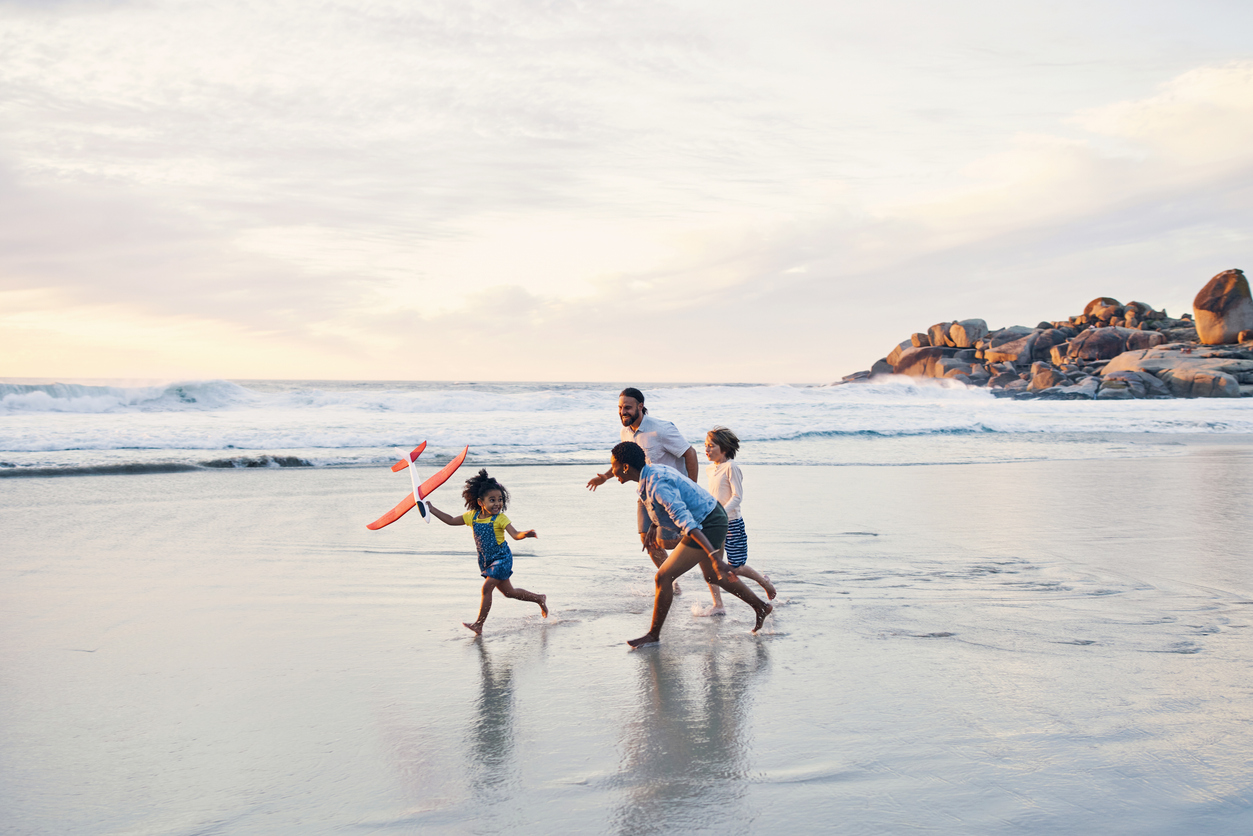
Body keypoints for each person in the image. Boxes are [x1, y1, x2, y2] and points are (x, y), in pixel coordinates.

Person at [608, 441, 772, 647]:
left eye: (613, 465)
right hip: (712, 515)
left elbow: (687, 522)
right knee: (713, 576)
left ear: (625, 467)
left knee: (663, 576)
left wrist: (713, 555)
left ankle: (653, 635)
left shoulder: (657, 483)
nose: (611, 470)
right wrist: (653, 526)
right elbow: (662, 505)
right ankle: (760, 607)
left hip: (708, 522)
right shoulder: (649, 475)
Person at [587, 387, 719, 605]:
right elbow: (625, 461)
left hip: (671, 494)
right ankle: (671, 581)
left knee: (669, 539)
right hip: (646, 494)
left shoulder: (661, 429)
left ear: (640, 406)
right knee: (646, 540)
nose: (623, 412)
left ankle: (703, 547)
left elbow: (690, 453)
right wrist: (606, 477)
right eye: (620, 408)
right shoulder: (626, 432)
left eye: (627, 407)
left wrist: (691, 488)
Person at [427, 469, 548, 635]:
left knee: (486, 588)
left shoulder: (500, 518)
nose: (497, 503)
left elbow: (514, 534)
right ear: (480, 502)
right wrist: (431, 509)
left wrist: (525, 534)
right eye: (492, 500)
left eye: (500, 500)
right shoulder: (472, 517)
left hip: (502, 558)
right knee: (509, 592)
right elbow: (450, 520)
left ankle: (479, 624)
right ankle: (539, 598)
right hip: (487, 561)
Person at [703, 426, 776, 606]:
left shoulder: (731, 467)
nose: (706, 449)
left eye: (711, 446)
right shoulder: (709, 469)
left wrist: (721, 513)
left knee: (736, 567)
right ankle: (718, 604)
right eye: (705, 445)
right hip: (714, 524)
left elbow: (737, 496)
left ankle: (764, 582)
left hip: (732, 523)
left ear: (725, 449)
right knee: (712, 565)